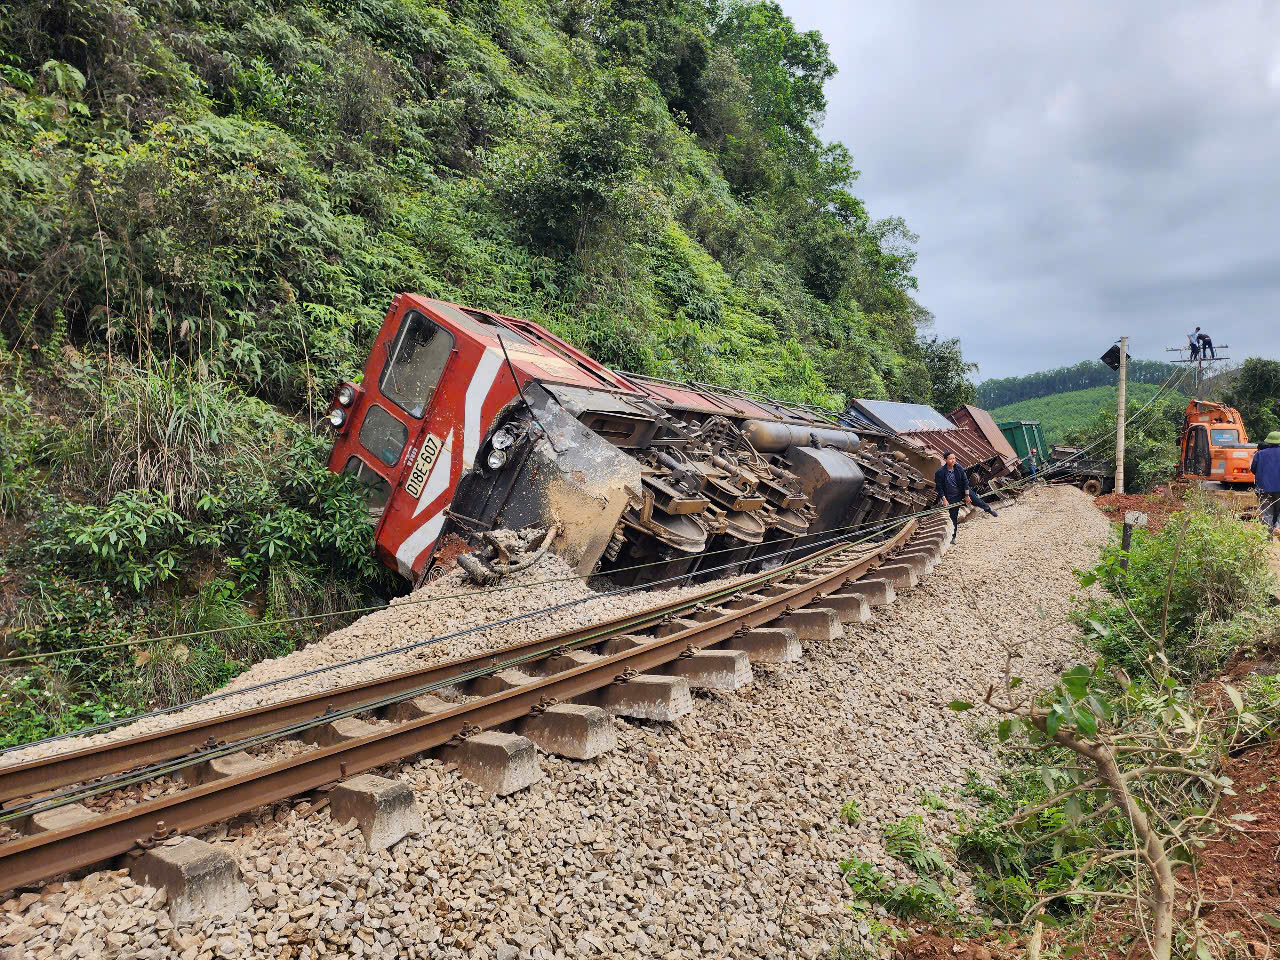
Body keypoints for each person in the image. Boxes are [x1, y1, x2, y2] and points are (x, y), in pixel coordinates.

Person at [934, 450, 997, 544]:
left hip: (963, 491)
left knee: (977, 501)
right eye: (951, 459)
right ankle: (953, 537)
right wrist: (944, 499)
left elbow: (965, 482)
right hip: (951, 496)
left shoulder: (958, 468)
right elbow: (939, 487)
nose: (953, 460)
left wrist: (967, 495)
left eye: (954, 458)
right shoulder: (940, 472)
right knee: (953, 516)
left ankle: (989, 510)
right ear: (945, 460)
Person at [1250, 431, 1280, 541]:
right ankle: (1278, 528)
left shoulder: (1260, 454)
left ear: (1269, 442)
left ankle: (1268, 539)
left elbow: (1253, 469)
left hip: (1263, 488)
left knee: (1267, 512)